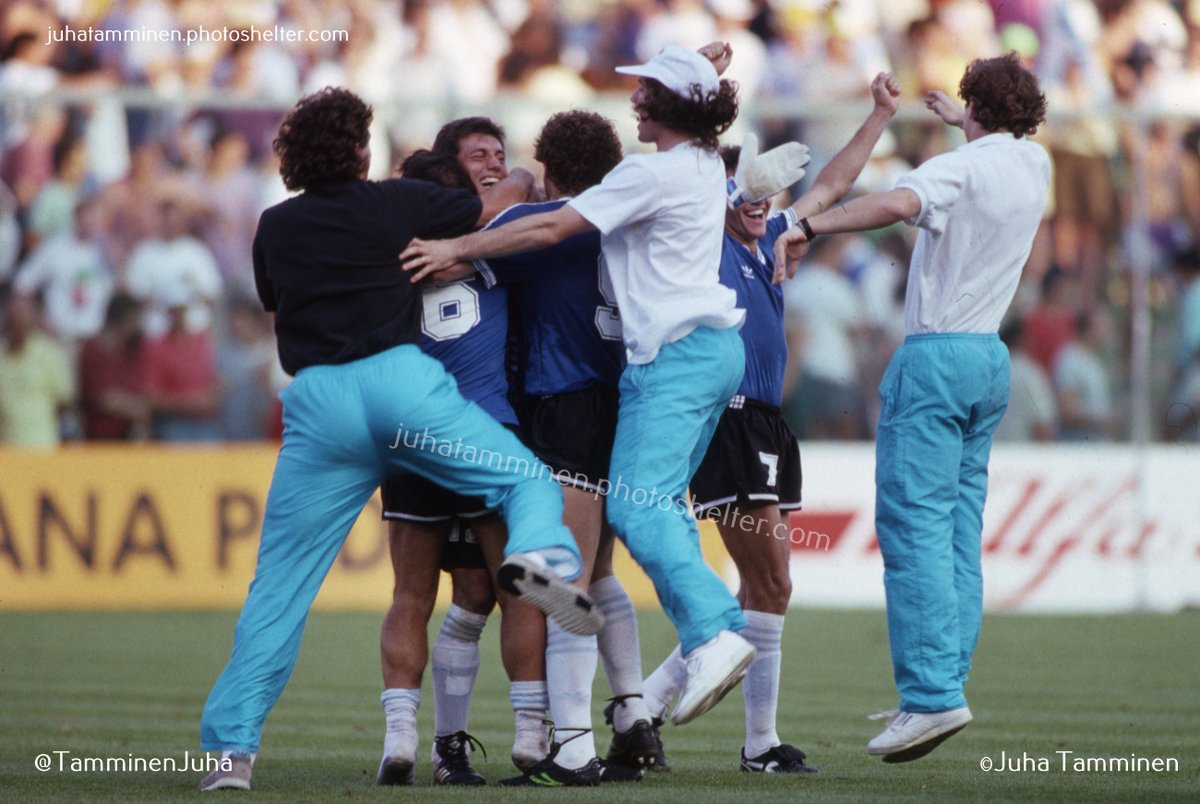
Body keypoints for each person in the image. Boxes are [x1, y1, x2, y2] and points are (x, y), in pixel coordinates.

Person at [198, 87, 597, 793]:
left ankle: (230, 756)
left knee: (278, 589)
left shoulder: (274, 224)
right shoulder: (396, 202)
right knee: (525, 481)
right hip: (400, 387)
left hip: (318, 402)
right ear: (359, 150)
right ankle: (540, 554)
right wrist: (519, 174)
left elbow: (272, 300)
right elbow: (489, 205)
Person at [403, 41, 760, 733]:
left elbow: (546, 228)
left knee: (614, 529)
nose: (633, 100)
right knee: (635, 538)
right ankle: (645, 697)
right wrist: (699, 73)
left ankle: (702, 644)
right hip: (708, 356)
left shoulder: (644, 179)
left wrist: (454, 247)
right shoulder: (702, 161)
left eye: (645, 92)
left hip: (644, 371)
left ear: (672, 107)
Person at [773, 52, 1050, 762]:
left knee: (912, 527)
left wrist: (812, 226)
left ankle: (931, 697)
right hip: (989, 359)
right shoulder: (1033, 163)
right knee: (958, 530)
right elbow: (997, 149)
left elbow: (899, 203)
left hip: (934, 356)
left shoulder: (961, 169)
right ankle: (944, 680)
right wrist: (971, 121)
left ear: (976, 110)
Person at [643, 72, 901, 775]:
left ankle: (638, 709)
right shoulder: (706, 242)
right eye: (742, 193)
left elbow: (830, 189)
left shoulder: (772, 238)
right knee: (774, 583)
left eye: (764, 194)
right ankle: (755, 746)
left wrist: (878, 116)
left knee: (757, 589)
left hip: (766, 423)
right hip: (726, 421)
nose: (757, 204)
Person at [468, 110, 651, 785]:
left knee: (565, 578)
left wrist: (512, 186)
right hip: (619, 399)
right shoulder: (624, 219)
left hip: (566, 401)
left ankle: (572, 748)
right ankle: (631, 715)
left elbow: (478, 244)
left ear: (547, 167)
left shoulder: (545, 229)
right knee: (596, 572)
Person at [375, 140, 547, 787]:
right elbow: (513, 206)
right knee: (517, 587)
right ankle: (531, 734)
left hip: (410, 434)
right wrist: (521, 176)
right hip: (483, 432)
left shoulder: (389, 261)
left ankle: (400, 741)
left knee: (412, 595)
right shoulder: (492, 248)